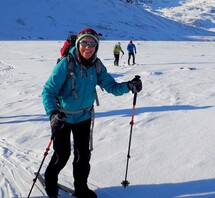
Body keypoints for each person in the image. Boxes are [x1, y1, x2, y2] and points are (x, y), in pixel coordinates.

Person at [42, 28, 142, 198]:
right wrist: (53, 114)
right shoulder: (66, 64)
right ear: (79, 43)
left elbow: (111, 86)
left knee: (83, 156)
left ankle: (81, 188)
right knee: (62, 154)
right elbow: (48, 91)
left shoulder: (97, 65)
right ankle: (50, 181)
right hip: (63, 116)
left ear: (97, 46)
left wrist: (128, 86)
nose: (88, 47)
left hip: (84, 116)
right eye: (84, 43)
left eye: (92, 44)